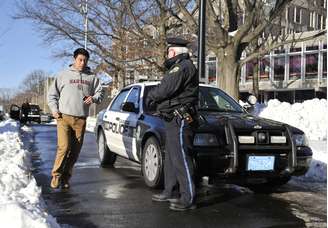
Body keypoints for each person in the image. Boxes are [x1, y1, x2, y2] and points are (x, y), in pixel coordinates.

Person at [146, 37, 199, 211]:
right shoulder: (182, 66)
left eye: (169, 51)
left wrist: (151, 96)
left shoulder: (181, 67)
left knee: (181, 158)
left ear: (174, 52)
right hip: (173, 119)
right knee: (171, 157)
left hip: (181, 118)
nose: (167, 54)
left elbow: (165, 89)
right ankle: (171, 191)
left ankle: (188, 198)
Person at [48, 48, 104, 189]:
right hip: (64, 117)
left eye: (85, 60)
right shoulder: (63, 75)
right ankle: (56, 175)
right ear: (74, 59)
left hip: (81, 119)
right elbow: (52, 95)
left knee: (75, 151)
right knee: (64, 147)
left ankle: (66, 177)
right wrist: (54, 110)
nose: (82, 62)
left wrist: (94, 98)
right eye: (80, 59)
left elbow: (100, 92)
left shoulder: (91, 77)